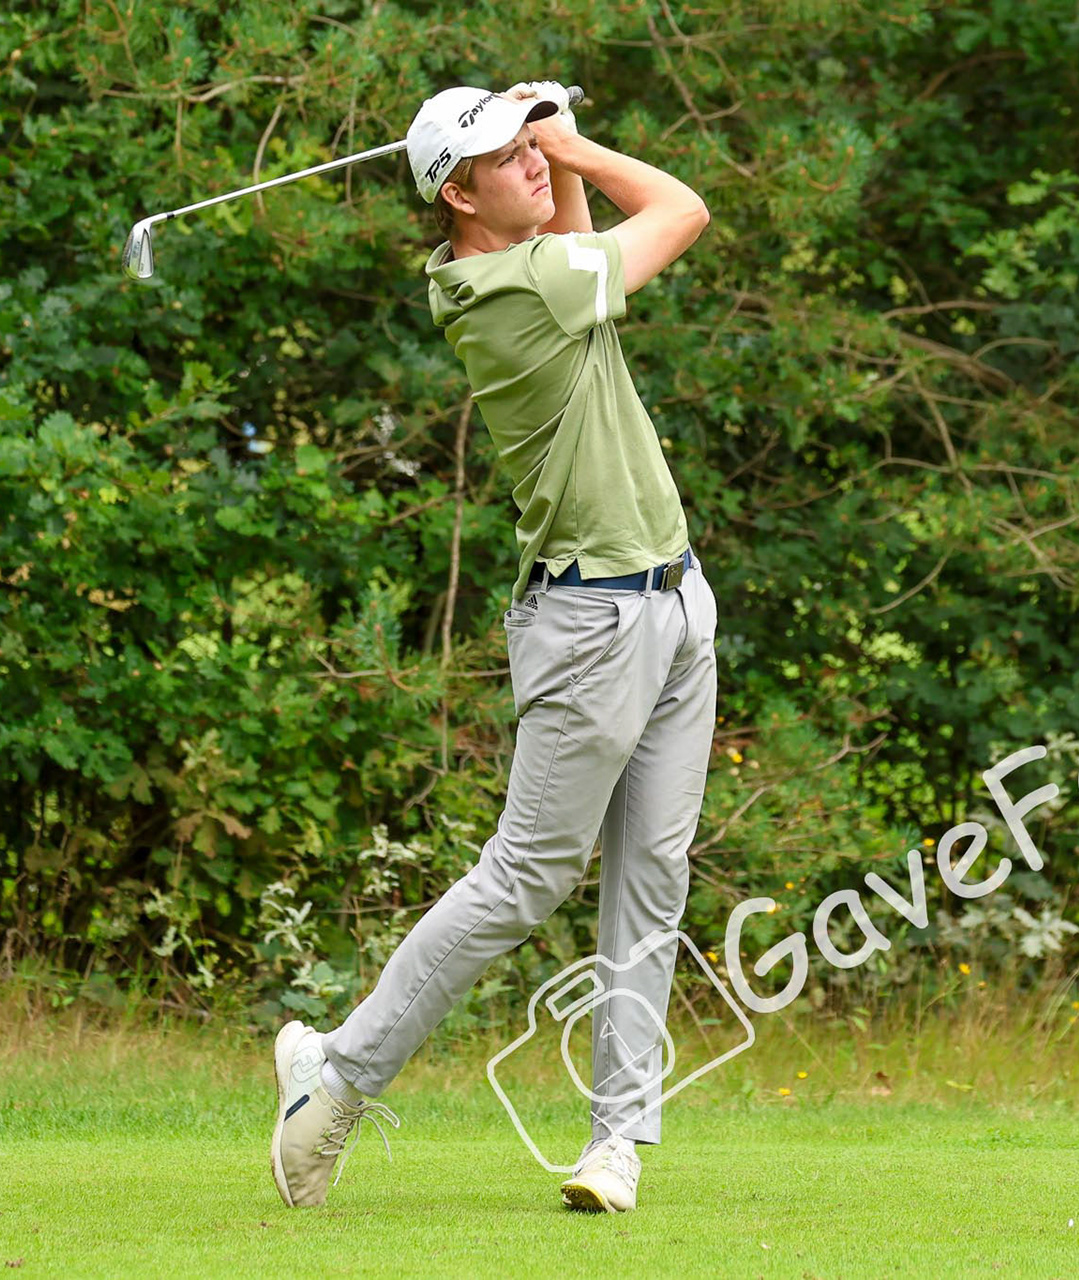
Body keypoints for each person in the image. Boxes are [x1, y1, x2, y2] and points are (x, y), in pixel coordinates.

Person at [268, 81, 719, 1215]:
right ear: (456, 194)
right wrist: (576, 139)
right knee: (525, 877)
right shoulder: (502, 290)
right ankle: (338, 1072)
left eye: (528, 148)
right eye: (504, 156)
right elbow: (681, 210)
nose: (529, 162)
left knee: (651, 885)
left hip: (672, 601)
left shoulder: (541, 269)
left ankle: (616, 1142)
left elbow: (576, 235)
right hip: (590, 627)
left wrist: (548, 150)